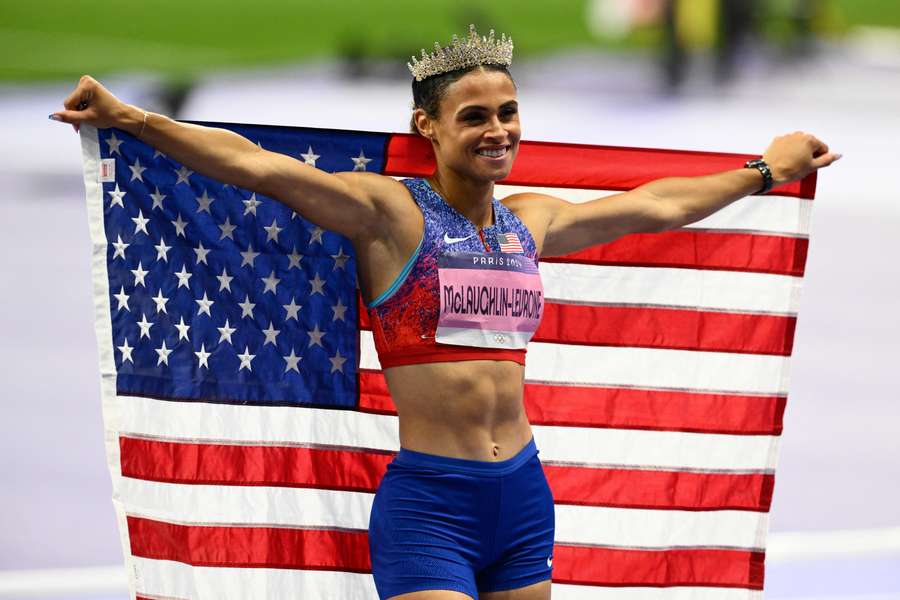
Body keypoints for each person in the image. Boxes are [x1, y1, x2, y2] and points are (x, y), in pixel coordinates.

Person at [51, 24, 839, 600]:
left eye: (507, 112)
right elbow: (259, 169)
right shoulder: (390, 217)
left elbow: (655, 207)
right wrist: (133, 120)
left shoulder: (532, 221)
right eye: (475, 117)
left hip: (523, 498)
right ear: (427, 127)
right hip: (432, 505)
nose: (498, 130)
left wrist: (766, 168)